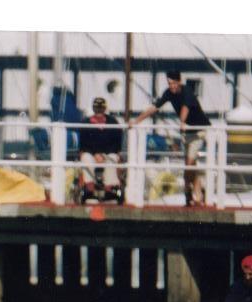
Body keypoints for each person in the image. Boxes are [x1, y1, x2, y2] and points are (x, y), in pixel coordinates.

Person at [130, 71, 211, 206]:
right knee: (190, 165)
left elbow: (185, 108)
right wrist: (136, 121)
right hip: (187, 132)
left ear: (179, 82)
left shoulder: (187, 91)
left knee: (190, 164)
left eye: (174, 83)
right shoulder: (168, 93)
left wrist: (182, 122)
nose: (172, 86)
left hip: (199, 130)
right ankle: (198, 193)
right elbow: (154, 108)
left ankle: (188, 192)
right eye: (169, 83)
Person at [77, 97, 123, 203]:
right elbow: (83, 145)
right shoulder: (85, 123)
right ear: (93, 109)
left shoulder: (113, 122)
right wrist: (95, 154)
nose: (99, 111)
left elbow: (116, 144)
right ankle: (90, 191)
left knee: (112, 158)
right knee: (86, 158)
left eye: (101, 108)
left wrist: (103, 155)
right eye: (97, 108)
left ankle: (109, 191)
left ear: (104, 109)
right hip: (91, 154)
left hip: (107, 154)